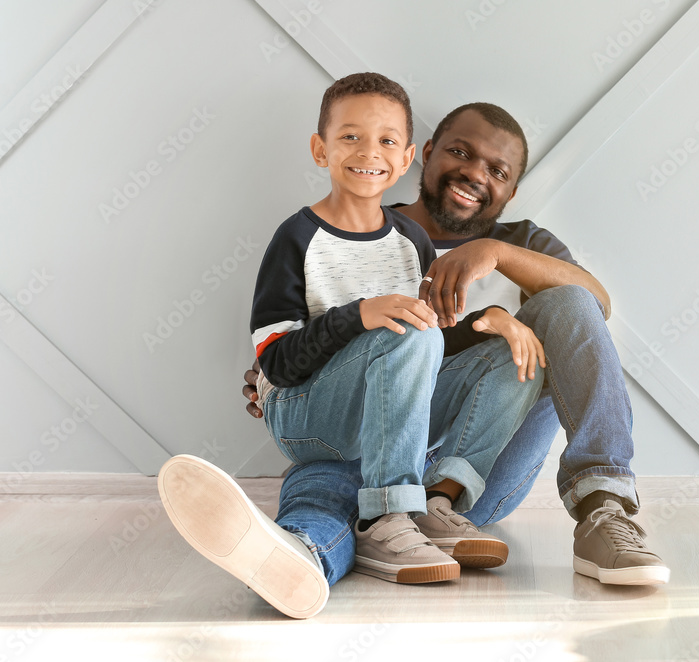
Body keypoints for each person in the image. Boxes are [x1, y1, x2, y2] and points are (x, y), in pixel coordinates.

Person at [242, 102, 671, 599]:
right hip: (361, 443)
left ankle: (603, 509)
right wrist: (273, 377)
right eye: (460, 153)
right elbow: (309, 345)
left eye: (497, 171)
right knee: (328, 489)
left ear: (511, 192)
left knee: (568, 305)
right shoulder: (375, 232)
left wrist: (497, 255)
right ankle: (300, 558)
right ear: (425, 154)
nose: (473, 173)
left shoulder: (524, 243)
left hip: (475, 468)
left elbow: (595, 305)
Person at [158, 75, 545, 619]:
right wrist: (357, 316)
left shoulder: (412, 242)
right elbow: (277, 363)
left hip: (384, 424)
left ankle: (431, 502)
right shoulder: (296, 237)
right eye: (350, 138)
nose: (369, 152)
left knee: (512, 349)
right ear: (321, 149)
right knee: (407, 330)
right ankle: (388, 516)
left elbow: (431, 339)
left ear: (408, 156)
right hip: (308, 412)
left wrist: (494, 319)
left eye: (387, 141)